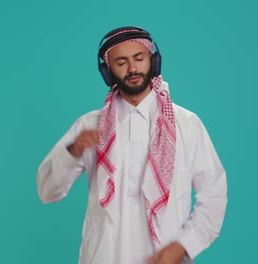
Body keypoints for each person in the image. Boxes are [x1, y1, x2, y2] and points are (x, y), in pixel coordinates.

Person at [36, 26, 228, 264]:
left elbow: (214, 195)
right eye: (121, 62)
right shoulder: (89, 126)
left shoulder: (186, 124)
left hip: (164, 258)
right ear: (108, 71)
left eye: (139, 58)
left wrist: (183, 246)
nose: (133, 68)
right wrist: (72, 152)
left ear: (153, 61)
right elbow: (47, 192)